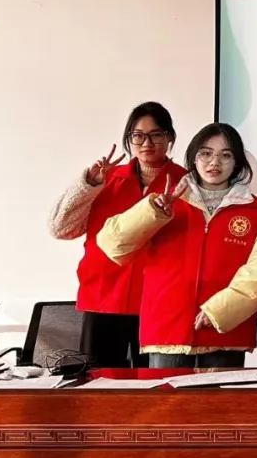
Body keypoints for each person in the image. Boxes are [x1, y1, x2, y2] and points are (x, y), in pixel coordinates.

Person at [97, 123, 257, 368]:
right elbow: (112, 244)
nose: (215, 162)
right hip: (167, 330)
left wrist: (220, 311)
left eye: (225, 155)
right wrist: (151, 214)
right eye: (206, 153)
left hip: (224, 332)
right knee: (166, 395)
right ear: (193, 158)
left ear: (237, 162)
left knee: (221, 396)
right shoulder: (164, 201)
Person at [48, 102, 186, 367]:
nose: (147, 143)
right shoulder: (105, 179)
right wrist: (89, 185)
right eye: (138, 135)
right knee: (99, 384)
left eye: (156, 135)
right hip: (103, 297)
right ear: (129, 139)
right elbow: (61, 228)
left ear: (170, 137)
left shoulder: (185, 184)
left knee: (154, 385)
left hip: (158, 302)